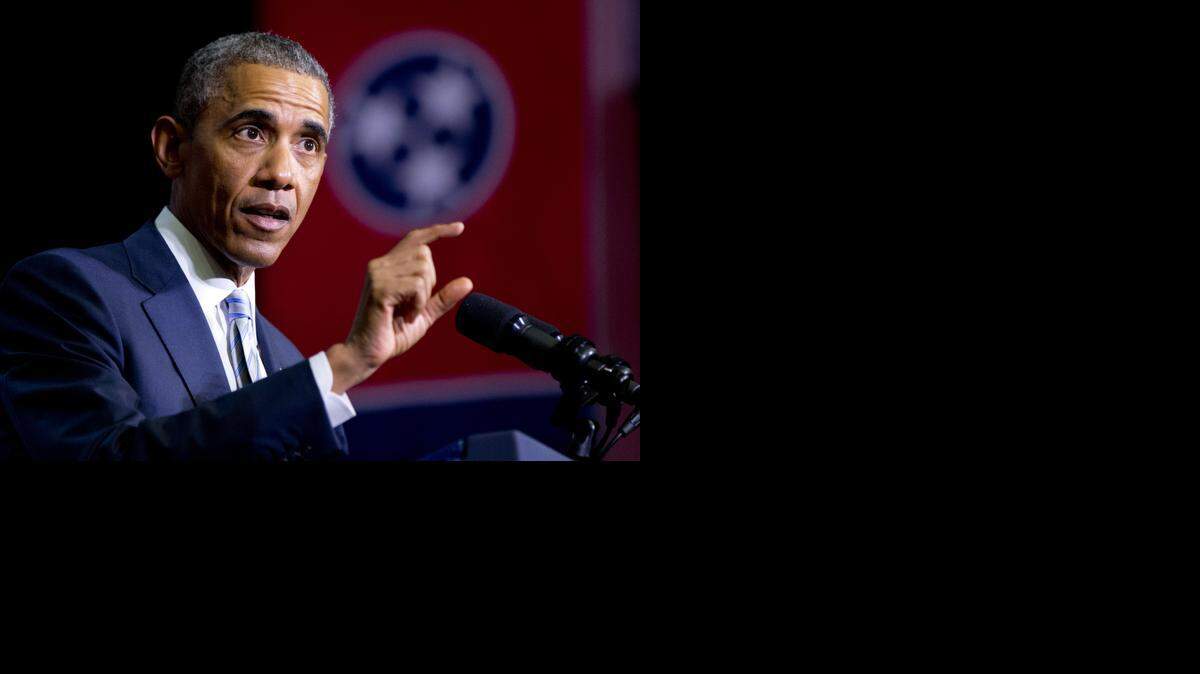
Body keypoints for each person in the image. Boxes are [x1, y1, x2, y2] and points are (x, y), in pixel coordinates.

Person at [0, 32, 473, 460]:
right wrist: (346, 363)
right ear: (172, 149)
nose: (282, 174)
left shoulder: (285, 359)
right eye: (251, 133)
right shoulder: (71, 293)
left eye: (308, 144)